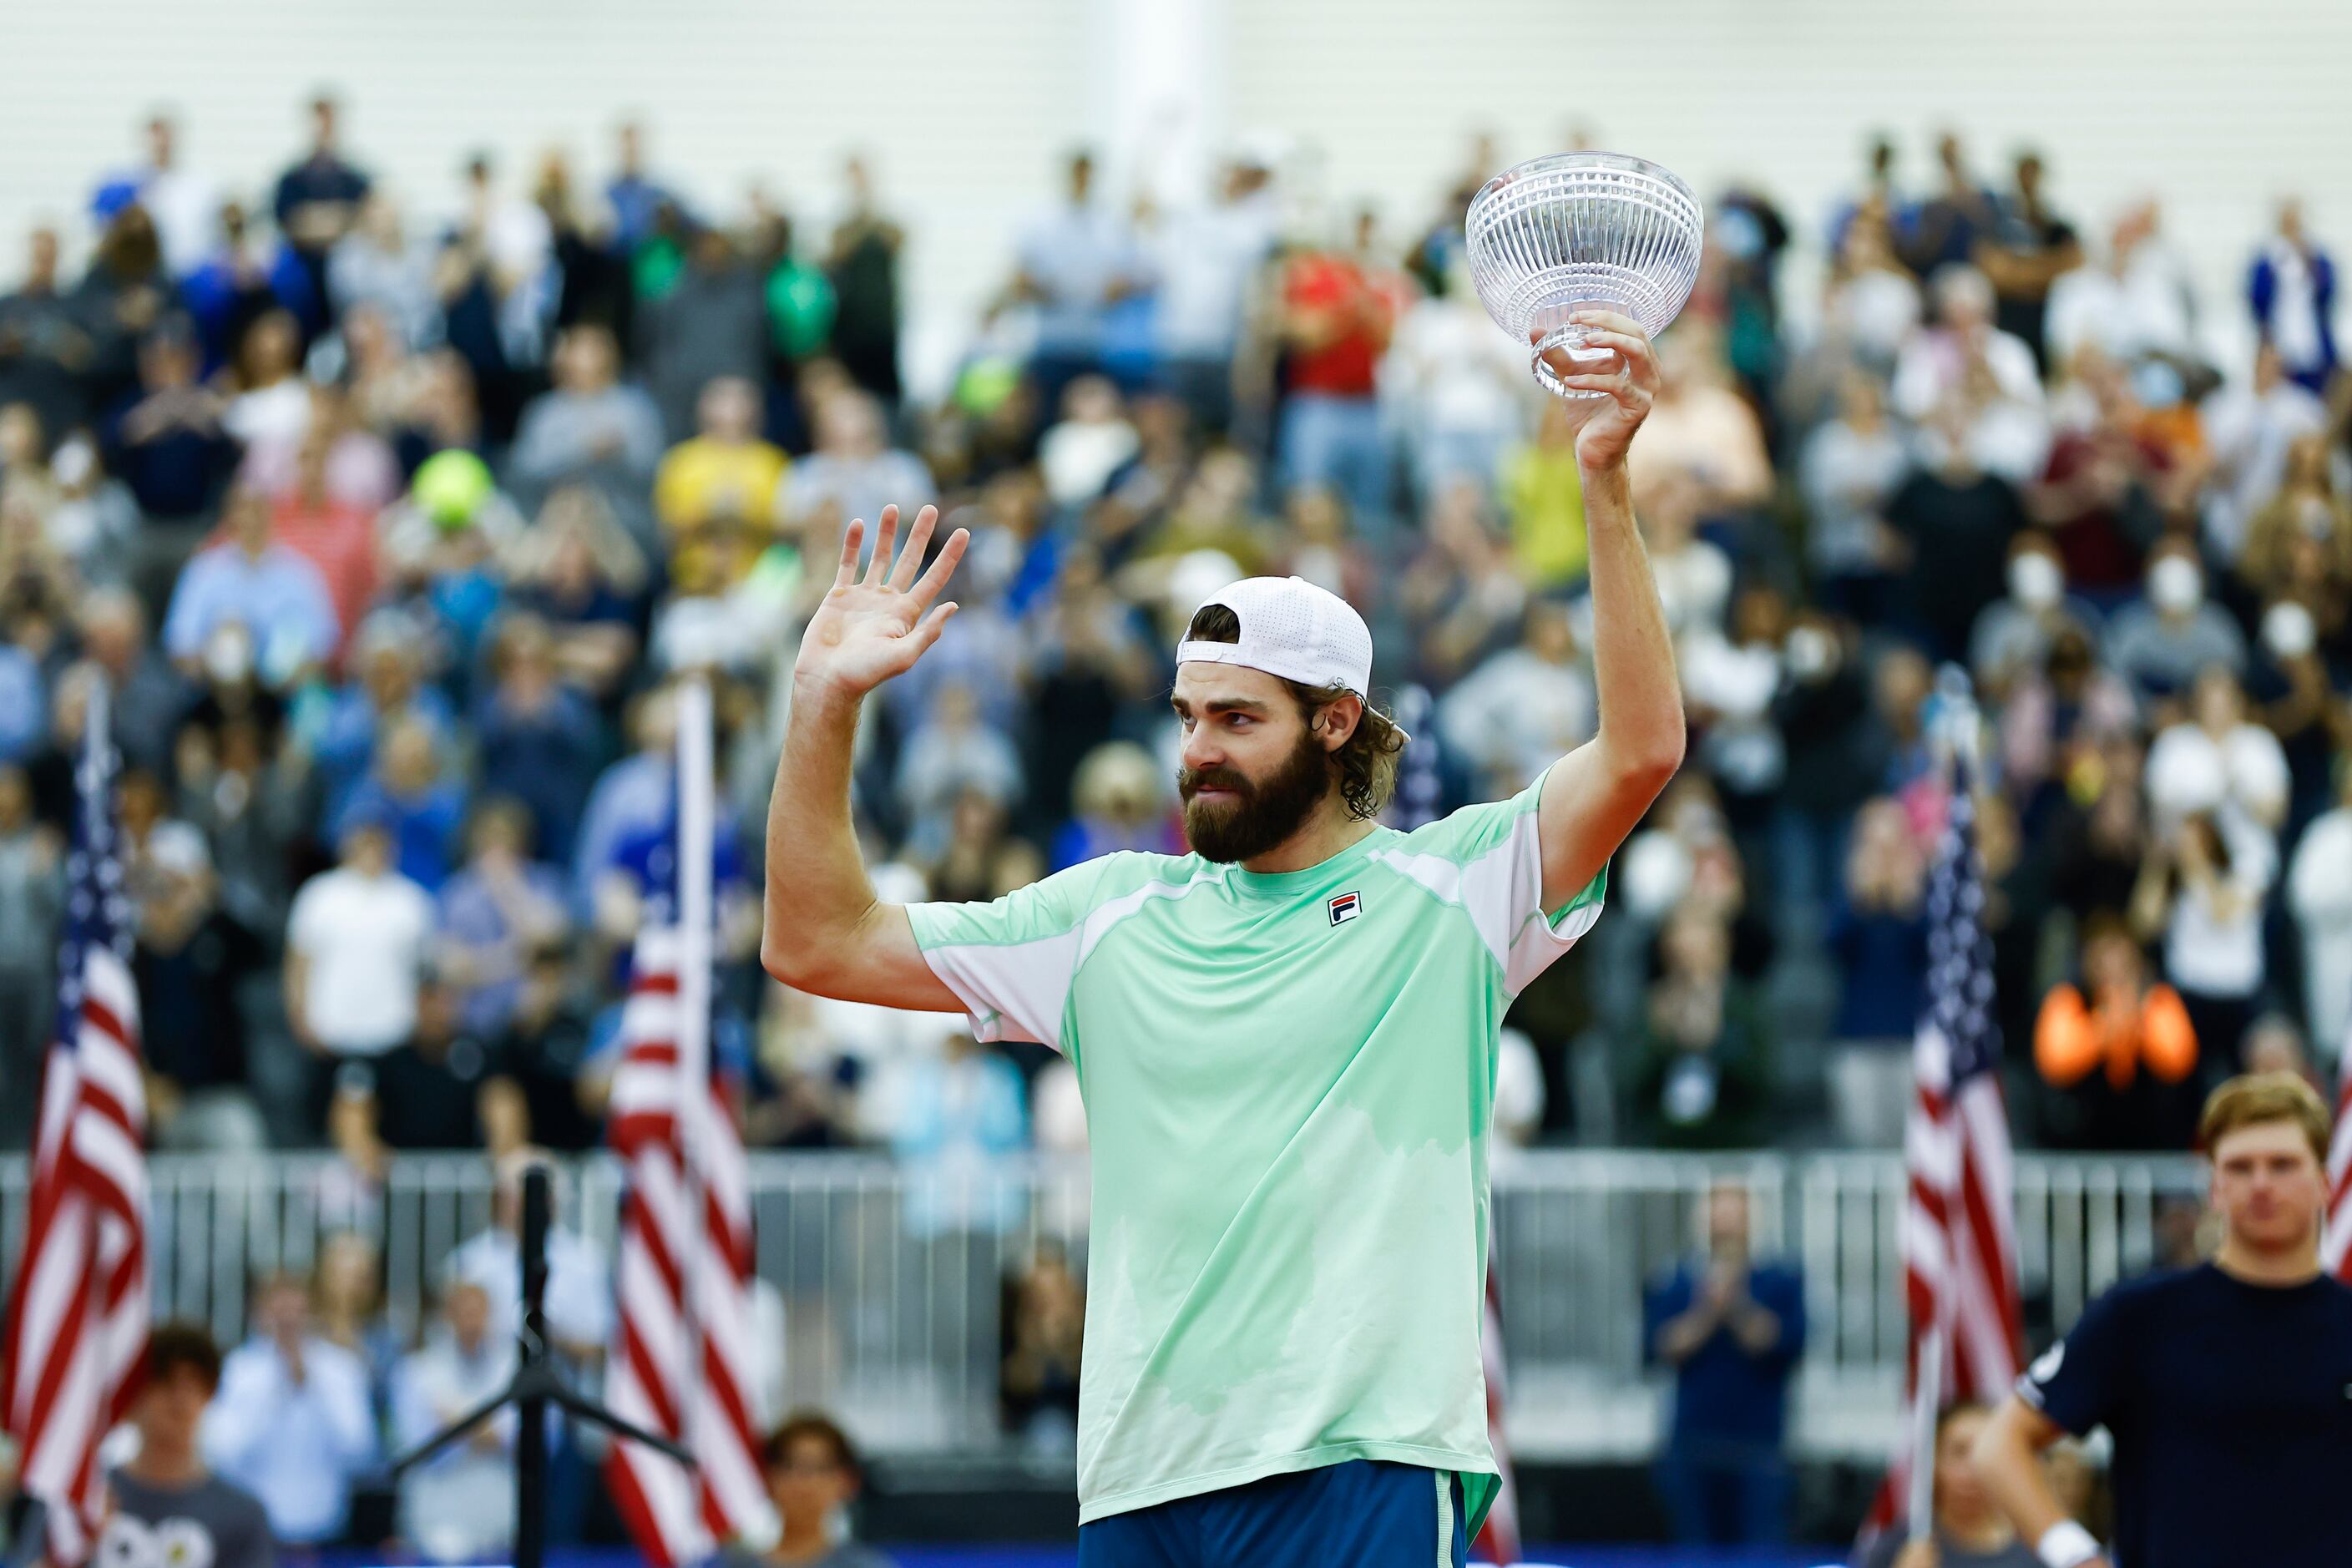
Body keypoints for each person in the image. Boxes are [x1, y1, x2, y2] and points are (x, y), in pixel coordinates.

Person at [760, 308, 1683, 1562]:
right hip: (1141, 1483)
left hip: (1361, 1465)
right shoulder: (1106, 915)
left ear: (1339, 722)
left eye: (1238, 719)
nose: (1196, 749)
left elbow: (1638, 752)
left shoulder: (1453, 890)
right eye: (1189, 715)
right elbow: (818, 942)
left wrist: (1603, 483)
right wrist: (820, 705)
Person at [1974, 1073, 2352, 1568]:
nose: (2261, 1184)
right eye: (2240, 1167)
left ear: (2325, 1183)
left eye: (2282, 1165)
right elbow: (1999, 1445)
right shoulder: (2140, 1316)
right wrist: (2076, 1557)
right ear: (2214, 1187)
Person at [15, 1322, 274, 1568]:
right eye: (164, 1382)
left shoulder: (242, 1514)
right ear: (130, 1397)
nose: (180, 1399)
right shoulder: (79, 1500)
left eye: (196, 1384)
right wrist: (73, 1544)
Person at [1642, 1185, 1806, 1547]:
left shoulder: (1781, 1279)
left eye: (1736, 1217)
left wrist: (1736, 1304)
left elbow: (1784, 1343)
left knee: (1760, 1554)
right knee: (1693, 1553)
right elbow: (1661, 1347)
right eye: (1719, 1217)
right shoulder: (1675, 1280)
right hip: (1692, 1447)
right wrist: (1706, 1311)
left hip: (1761, 1449)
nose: (1727, 1227)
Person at [204, 1271, 379, 1547]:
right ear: (261, 1314)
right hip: (255, 1532)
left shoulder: (342, 1369)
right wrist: (275, 1388)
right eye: (279, 1312)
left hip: (326, 1532)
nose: (289, 1322)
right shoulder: (238, 1371)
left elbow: (360, 1452)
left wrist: (312, 1384)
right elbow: (225, 1454)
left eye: (297, 1312)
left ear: (313, 1313)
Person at [392, 1280, 518, 1564]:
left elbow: (528, 1441)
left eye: (479, 1312)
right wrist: (487, 1428)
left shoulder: (515, 1369)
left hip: (501, 1520)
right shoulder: (417, 1371)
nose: (471, 1322)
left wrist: (456, 1423)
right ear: (448, 1316)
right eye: (463, 1313)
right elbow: (416, 1449)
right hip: (436, 1522)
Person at [1861, 1402, 2036, 1568]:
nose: (1973, 1469)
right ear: (1934, 1462)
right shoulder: (1898, 1547)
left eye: (1984, 1451)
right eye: (1959, 1452)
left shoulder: (2034, 1550)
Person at [712, 1414, 896, 1568]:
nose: (803, 1482)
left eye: (819, 1468)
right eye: (789, 1466)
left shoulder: (866, 1565)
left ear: (847, 1481)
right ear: (767, 1477)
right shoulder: (731, 1562)